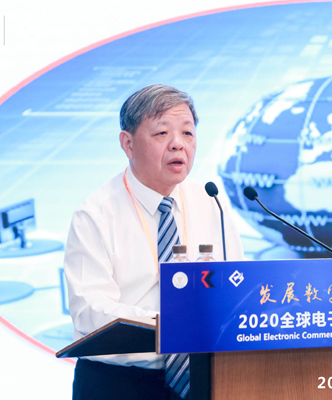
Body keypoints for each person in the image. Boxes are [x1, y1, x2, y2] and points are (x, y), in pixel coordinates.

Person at [64, 84, 244, 400]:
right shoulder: (95, 214)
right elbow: (91, 312)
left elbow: (237, 282)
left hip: (203, 376)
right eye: (162, 133)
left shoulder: (209, 201)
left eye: (187, 133)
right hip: (118, 383)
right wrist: (171, 325)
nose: (178, 144)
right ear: (128, 143)